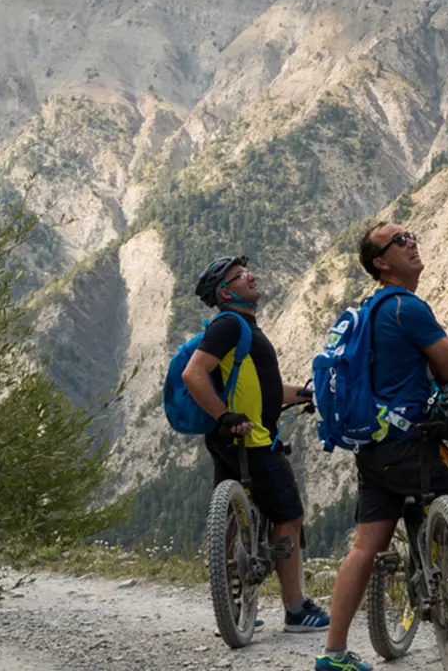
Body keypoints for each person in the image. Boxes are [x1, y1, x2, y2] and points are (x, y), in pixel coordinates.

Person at [315, 223, 448, 671]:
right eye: (399, 241)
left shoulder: (370, 308)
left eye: (410, 235)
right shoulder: (406, 307)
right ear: (381, 262)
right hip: (413, 442)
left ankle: (333, 654)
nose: (412, 242)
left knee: (364, 546)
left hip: (373, 446)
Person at [180, 255, 329, 633]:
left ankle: (232, 607)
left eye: (246, 271)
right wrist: (224, 415)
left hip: (231, 438)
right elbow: (193, 373)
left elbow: (266, 390)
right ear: (225, 292)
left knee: (235, 518)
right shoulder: (230, 325)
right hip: (251, 438)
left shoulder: (242, 328)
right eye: (238, 276)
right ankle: (296, 609)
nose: (250, 276)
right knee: (289, 516)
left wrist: (306, 395)